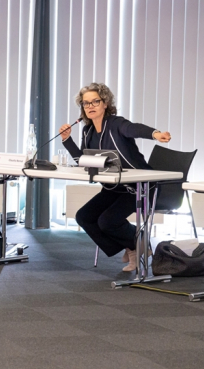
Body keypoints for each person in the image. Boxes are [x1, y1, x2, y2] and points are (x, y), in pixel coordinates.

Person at [60, 82, 171, 272]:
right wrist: (66, 139)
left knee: (107, 221)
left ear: (105, 103)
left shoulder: (116, 124)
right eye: (86, 103)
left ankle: (137, 245)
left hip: (141, 187)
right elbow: (83, 160)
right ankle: (132, 245)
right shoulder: (87, 131)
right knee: (84, 217)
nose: (90, 106)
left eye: (95, 101)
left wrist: (155, 134)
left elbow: (134, 128)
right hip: (114, 187)